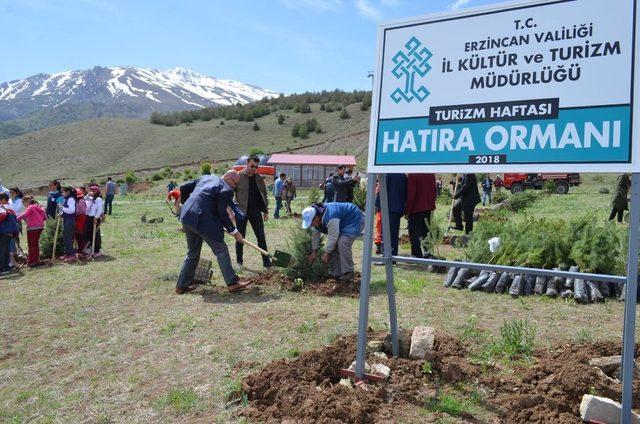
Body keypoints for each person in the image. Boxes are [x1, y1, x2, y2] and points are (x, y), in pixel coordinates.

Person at [176, 171, 251, 294]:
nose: (234, 187)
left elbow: (184, 188)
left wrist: (186, 204)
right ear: (228, 178)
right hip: (202, 221)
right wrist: (235, 232)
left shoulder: (206, 178)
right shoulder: (225, 189)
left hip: (187, 217)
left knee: (192, 252)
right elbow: (223, 214)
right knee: (221, 250)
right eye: (235, 184)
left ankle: (181, 286)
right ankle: (232, 283)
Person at [302, 202, 364, 281]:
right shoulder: (315, 217)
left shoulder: (331, 216)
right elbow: (315, 235)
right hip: (342, 222)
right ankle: (336, 274)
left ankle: (349, 272)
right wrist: (314, 251)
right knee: (333, 246)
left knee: (342, 242)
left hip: (354, 218)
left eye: (312, 222)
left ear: (316, 217)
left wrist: (326, 252)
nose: (311, 225)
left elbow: (333, 236)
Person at [234, 155, 271, 268]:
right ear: (247, 163)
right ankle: (239, 262)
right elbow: (230, 193)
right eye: (252, 166)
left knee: (261, 237)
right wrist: (231, 211)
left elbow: (264, 194)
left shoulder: (259, 178)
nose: (254, 169)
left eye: (256, 167)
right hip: (241, 212)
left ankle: (266, 262)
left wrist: (265, 211)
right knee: (240, 237)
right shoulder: (238, 176)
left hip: (255, 212)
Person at [405, 173, 437, 258]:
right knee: (426, 231)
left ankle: (416, 254)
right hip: (428, 207)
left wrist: (408, 211)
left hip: (416, 208)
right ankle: (428, 253)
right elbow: (434, 190)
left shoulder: (413, 174)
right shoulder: (431, 174)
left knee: (414, 233)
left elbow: (411, 194)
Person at [375, 174, 407, 256]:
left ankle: (386, 255)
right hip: (398, 208)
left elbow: (382, 190)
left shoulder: (387, 174)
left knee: (385, 233)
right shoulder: (403, 176)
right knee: (394, 234)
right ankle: (393, 255)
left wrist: (377, 205)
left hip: (388, 208)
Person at [17, 196, 46, 266]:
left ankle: (32, 261)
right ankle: (37, 259)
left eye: (23, 203)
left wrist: (15, 219)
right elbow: (45, 218)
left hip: (32, 228)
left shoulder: (30, 207)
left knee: (31, 245)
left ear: (27, 201)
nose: (24, 205)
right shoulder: (39, 207)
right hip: (40, 227)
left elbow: (25, 214)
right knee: (35, 244)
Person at [0, 193, 19, 275]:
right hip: (10, 233)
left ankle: (2, 268)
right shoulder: (11, 208)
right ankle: (7, 266)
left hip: (3, 233)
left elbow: (2, 216)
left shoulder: (2, 208)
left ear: (3, 200)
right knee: (7, 251)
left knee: (2, 251)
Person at [85, 186, 104, 257]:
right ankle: (92, 249)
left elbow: (100, 209)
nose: (90, 192)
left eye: (91, 191)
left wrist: (96, 218)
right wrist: (88, 194)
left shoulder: (98, 199)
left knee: (96, 235)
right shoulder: (93, 198)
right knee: (89, 233)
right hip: (90, 217)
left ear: (95, 191)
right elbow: (84, 199)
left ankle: (97, 250)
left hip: (95, 218)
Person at [59, 186, 77, 262]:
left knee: (68, 237)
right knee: (65, 237)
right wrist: (62, 213)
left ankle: (72, 255)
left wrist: (62, 208)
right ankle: (67, 253)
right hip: (66, 220)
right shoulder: (65, 199)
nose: (62, 193)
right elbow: (66, 209)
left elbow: (72, 210)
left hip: (70, 221)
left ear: (68, 192)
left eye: (63, 192)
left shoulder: (71, 199)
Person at [74, 188, 88, 254]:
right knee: (77, 234)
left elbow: (82, 211)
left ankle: (81, 249)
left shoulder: (81, 201)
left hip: (80, 218)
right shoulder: (77, 201)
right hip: (77, 218)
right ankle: (79, 249)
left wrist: (75, 212)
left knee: (79, 234)